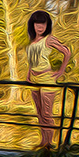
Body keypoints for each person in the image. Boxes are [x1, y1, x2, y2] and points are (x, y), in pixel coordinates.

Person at [25, 10, 72, 149]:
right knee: (39, 113)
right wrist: (29, 73)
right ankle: (43, 141)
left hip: (46, 78)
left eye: (43, 24)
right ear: (32, 25)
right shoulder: (32, 41)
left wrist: (60, 71)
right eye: (37, 24)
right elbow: (33, 60)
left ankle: (49, 143)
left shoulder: (49, 39)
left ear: (47, 25)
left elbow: (66, 52)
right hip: (34, 79)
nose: (40, 27)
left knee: (46, 113)